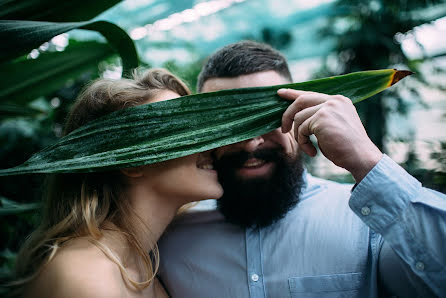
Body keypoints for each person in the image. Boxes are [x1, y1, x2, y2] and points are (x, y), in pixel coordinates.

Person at [158, 41, 446, 297]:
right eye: (231, 124)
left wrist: (367, 160)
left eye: (266, 117)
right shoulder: (168, 239)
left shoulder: (368, 223)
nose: (251, 143)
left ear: (299, 111)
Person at [11, 69, 223, 298]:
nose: (209, 144)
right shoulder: (89, 279)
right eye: (184, 132)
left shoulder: (141, 264)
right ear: (132, 162)